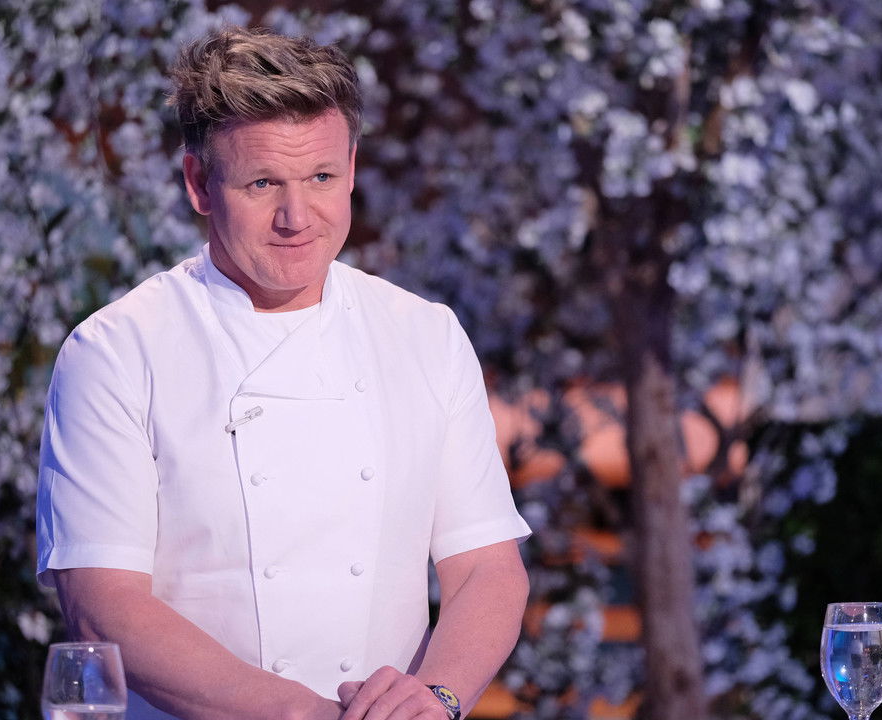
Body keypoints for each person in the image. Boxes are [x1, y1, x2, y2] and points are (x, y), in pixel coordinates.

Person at [35, 26, 531, 720]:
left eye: (321, 178)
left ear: (352, 169)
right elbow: (102, 602)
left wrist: (436, 697)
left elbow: (486, 567)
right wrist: (303, 714)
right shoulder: (116, 352)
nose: (297, 218)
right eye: (263, 183)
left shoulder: (425, 336)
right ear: (199, 184)